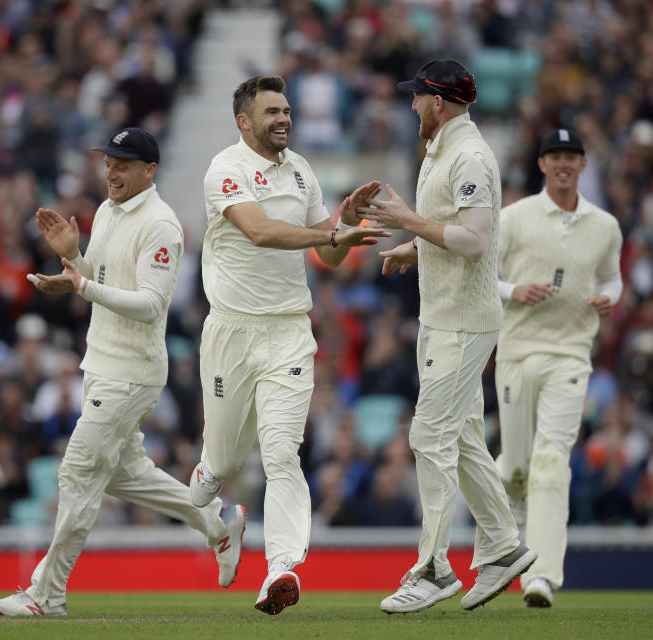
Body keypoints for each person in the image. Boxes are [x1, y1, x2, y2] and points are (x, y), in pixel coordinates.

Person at [0, 127, 246, 617]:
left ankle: (47, 594)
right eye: (109, 162)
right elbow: (103, 282)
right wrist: (72, 261)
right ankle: (218, 521)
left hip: (131, 373)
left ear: (149, 170)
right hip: (101, 365)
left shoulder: (162, 225)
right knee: (128, 474)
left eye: (123, 164)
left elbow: (150, 306)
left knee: (79, 473)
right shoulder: (107, 211)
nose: (111, 171)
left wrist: (82, 285)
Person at [189, 75, 390, 615]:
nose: (283, 119)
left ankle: (280, 570)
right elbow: (260, 231)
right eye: (271, 112)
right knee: (217, 469)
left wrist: (344, 221)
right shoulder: (225, 169)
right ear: (244, 122)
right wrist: (330, 234)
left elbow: (327, 257)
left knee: (282, 454)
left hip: (288, 335)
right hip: (232, 333)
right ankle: (220, 521)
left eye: (286, 110)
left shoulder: (301, 170)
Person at [355, 59, 536, 614]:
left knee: (426, 437)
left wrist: (410, 224)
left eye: (417, 98)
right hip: (442, 316)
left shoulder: (470, 157)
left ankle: (434, 569)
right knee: (458, 439)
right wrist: (415, 247)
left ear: (438, 101)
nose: (411, 106)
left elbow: (476, 240)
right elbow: (451, 230)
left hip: (462, 321)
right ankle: (504, 549)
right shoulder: (443, 150)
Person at [494, 128, 623, 607]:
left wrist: (609, 297)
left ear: (583, 165)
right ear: (543, 165)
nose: (564, 164)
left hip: (570, 355)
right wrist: (514, 291)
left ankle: (541, 575)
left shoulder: (604, 226)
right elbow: (483, 275)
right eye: (555, 157)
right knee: (518, 471)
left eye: (572, 156)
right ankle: (499, 506)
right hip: (518, 352)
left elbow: (613, 274)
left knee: (551, 464)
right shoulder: (514, 218)